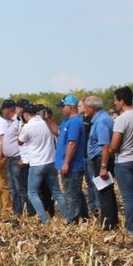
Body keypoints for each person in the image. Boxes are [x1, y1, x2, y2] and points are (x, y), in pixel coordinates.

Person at [18, 104, 67, 224]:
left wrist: (22, 126)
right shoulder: (45, 123)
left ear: (26, 115)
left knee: (32, 193)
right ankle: (66, 217)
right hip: (50, 162)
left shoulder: (28, 126)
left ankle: (44, 219)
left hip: (37, 163)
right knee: (57, 192)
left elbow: (20, 142)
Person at [110, 86, 133, 234]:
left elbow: (114, 144)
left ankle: (130, 228)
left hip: (124, 160)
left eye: (116, 100)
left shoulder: (121, 119)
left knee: (128, 197)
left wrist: (112, 150)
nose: (115, 103)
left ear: (121, 101)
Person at [84, 95, 118, 230]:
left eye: (86, 108)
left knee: (104, 193)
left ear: (92, 108)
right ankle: (112, 221)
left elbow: (105, 146)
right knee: (107, 191)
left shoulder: (102, 121)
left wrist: (103, 166)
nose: (85, 110)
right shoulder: (101, 119)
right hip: (100, 159)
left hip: (101, 160)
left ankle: (108, 223)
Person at [55, 95, 87, 223]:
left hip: (73, 165)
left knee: (71, 194)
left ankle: (73, 219)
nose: (62, 109)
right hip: (68, 164)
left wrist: (66, 163)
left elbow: (72, 143)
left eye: (63, 106)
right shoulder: (67, 122)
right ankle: (84, 216)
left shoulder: (75, 122)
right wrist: (48, 120)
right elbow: (58, 133)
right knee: (76, 192)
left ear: (70, 107)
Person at [2, 99, 29, 216]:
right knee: (13, 188)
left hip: (17, 159)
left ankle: (21, 211)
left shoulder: (19, 121)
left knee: (20, 188)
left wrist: (23, 157)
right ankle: (16, 210)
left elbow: (24, 139)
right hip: (11, 160)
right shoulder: (12, 122)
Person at [78, 99, 101, 215]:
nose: (79, 108)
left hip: (91, 156)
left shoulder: (91, 121)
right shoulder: (83, 120)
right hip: (85, 155)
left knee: (94, 181)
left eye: (80, 106)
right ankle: (92, 205)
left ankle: (98, 205)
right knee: (89, 183)